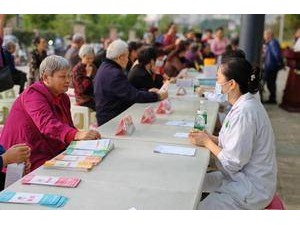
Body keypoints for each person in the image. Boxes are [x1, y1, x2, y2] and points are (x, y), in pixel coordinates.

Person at [189, 57, 277, 209]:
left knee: (198, 210)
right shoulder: (242, 104)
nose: (216, 83)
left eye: (218, 78)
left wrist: (207, 142)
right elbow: (232, 142)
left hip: (251, 188)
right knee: (192, 182)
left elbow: (232, 162)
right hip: (240, 176)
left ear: (231, 84)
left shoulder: (244, 112)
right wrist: (212, 138)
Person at [0, 55, 101, 171]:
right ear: (46, 78)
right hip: (24, 156)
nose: (68, 81)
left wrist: (82, 137)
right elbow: (47, 124)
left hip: (46, 150)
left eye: (69, 76)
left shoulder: (63, 97)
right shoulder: (33, 94)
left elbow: (67, 126)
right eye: (63, 76)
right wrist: (76, 135)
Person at [94, 40, 168, 126]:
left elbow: (129, 90)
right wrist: (157, 96)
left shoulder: (105, 67)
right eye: (127, 57)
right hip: (111, 119)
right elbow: (133, 96)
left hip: (109, 114)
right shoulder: (114, 73)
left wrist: (148, 91)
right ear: (120, 57)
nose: (128, 60)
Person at [72, 44, 97, 111]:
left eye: (92, 58)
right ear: (82, 57)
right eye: (88, 58)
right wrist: (88, 76)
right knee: (103, 107)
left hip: (93, 96)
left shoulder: (93, 66)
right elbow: (80, 90)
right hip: (83, 99)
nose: (90, 61)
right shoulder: (77, 69)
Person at [263, 29, 284, 104]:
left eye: (265, 34)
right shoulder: (271, 43)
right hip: (270, 66)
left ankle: (272, 99)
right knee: (270, 82)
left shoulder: (272, 43)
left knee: (270, 83)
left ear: (269, 35)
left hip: (271, 66)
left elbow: (277, 54)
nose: (264, 36)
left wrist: (280, 63)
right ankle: (272, 98)